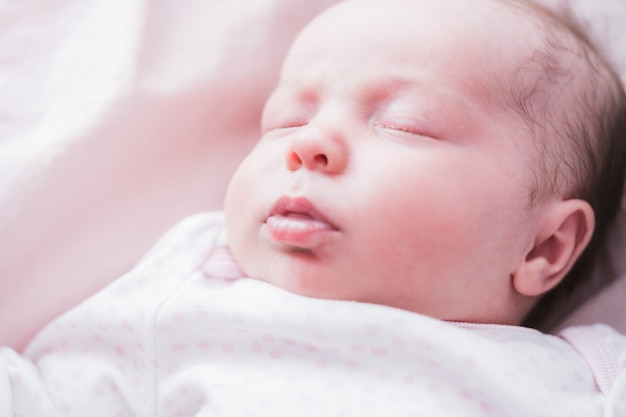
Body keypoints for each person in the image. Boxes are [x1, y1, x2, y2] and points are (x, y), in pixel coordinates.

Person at [1, 0, 626, 415]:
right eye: (287, 120)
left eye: (406, 125)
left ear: (545, 247)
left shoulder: (588, 377)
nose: (308, 145)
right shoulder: (193, 298)